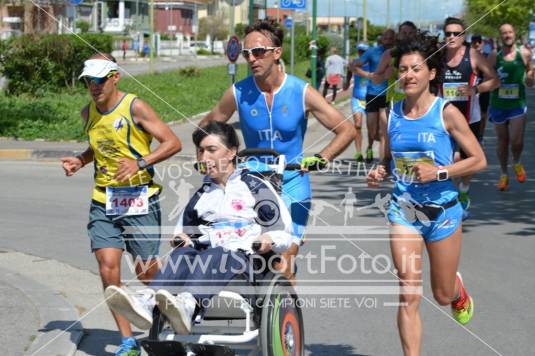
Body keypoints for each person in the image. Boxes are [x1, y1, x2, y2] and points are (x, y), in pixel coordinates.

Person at [199, 19, 355, 283]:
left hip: (293, 181)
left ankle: (285, 319)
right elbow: (205, 129)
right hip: (253, 182)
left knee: (284, 260)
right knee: (253, 254)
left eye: (258, 52)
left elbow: (347, 130)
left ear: (276, 53)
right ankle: (260, 314)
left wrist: (321, 157)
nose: (251, 59)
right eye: (247, 54)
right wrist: (213, 160)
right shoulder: (238, 92)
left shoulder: (300, 91)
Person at [104, 121, 294, 335]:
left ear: (232, 152)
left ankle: (188, 303)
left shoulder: (256, 187)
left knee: (217, 253)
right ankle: (148, 301)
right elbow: (183, 233)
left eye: (212, 150)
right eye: (201, 151)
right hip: (206, 265)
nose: (204, 158)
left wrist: (269, 238)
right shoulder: (202, 196)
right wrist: (181, 238)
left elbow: (284, 231)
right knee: (183, 254)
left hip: (246, 265)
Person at [367, 34, 486, 356]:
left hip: (443, 212)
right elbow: (388, 159)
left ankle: (456, 291)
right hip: (404, 210)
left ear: (430, 73)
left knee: (442, 294)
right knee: (408, 292)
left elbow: (479, 159)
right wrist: (380, 170)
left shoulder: (445, 113)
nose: (408, 75)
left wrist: (440, 172)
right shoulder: (392, 114)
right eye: (403, 69)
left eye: (415, 68)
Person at [61, 53, 182, 356]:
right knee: (107, 268)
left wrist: (140, 162)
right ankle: (128, 341)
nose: (94, 86)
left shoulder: (135, 106)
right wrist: (80, 159)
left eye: (100, 79)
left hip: (140, 199)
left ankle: (179, 304)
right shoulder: (87, 113)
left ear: (115, 77)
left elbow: (172, 142)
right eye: (89, 80)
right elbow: (98, 147)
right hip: (103, 201)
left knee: (146, 272)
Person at [441, 17, 499, 219]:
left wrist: (475, 89)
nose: (451, 37)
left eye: (456, 33)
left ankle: (463, 191)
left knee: (466, 162)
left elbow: (495, 80)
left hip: (468, 119)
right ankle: (447, 198)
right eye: (448, 33)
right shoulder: (438, 57)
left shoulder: (473, 55)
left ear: (463, 36)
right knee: (444, 158)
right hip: (443, 119)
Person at [488, 23, 534, 191]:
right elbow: (487, 76)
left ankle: (517, 161)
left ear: (514, 33)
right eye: (504, 33)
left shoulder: (524, 53)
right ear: (500, 36)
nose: (507, 35)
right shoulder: (494, 56)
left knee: (516, 141)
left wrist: (529, 77)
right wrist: (491, 82)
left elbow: (530, 72)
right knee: (502, 141)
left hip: (517, 104)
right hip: (499, 104)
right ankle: (503, 173)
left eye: (509, 32)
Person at [353, 28, 395, 163]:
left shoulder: (397, 52)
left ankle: (383, 162)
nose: (388, 40)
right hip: (372, 94)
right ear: (382, 38)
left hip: (389, 95)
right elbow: (354, 65)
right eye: (386, 37)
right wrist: (369, 75)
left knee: (383, 132)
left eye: (391, 38)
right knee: (372, 130)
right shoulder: (373, 51)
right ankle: (370, 145)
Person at [369, 21, 419, 107]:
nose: (407, 36)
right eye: (404, 33)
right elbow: (375, 79)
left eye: (410, 33)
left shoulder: (421, 54)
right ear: (398, 35)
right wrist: (384, 75)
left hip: (417, 103)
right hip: (394, 104)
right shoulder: (389, 54)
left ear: (415, 35)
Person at [344, 43, 369, 162]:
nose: (361, 53)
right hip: (357, 98)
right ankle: (358, 152)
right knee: (357, 125)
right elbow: (349, 75)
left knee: (372, 129)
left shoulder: (373, 64)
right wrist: (346, 83)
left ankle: (369, 148)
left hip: (370, 99)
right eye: (360, 51)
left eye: (363, 51)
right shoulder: (354, 64)